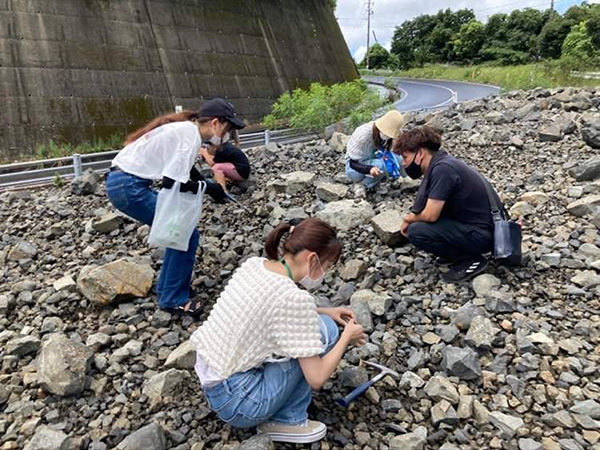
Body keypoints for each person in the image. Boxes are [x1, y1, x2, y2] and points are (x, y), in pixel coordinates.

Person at [191, 218, 366, 444]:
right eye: (327, 266)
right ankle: (288, 420)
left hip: (217, 384)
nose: (326, 273)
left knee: (318, 321)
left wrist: (325, 310)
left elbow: (267, 311)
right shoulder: (293, 298)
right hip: (242, 403)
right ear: (312, 258)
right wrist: (346, 337)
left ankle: (279, 410)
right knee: (327, 330)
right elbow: (317, 378)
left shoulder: (254, 266)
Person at [105, 98, 245, 316]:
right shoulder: (190, 135)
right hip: (130, 187)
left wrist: (212, 188)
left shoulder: (187, 131)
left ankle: (167, 288)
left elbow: (188, 172)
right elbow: (172, 182)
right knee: (184, 233)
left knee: (178, 232)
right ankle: (173, 299)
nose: (228, 136)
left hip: (122, 183)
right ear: (216, 123)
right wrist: (209, 187)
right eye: (229, 129)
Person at [394, 126, 499, 283]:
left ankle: (470, 260)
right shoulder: (443, 163)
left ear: (420, 153)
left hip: (483, 235)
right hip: (480, 227)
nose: (403, 163)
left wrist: (409, 219)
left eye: (405, 157)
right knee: (421, 224)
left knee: (416, 230)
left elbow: (430, 214)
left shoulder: (442, 170)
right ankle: (455, 253)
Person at [345, 110, 405, 197]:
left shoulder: (386, 138)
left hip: (373, 159)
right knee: (381, 165)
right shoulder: (362, 134)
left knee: (399, 158)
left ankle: (395, 179)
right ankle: (362, 185)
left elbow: (389, 152)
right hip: (354, 168)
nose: (387, 136)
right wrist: (369, 169)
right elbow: (352, 163)